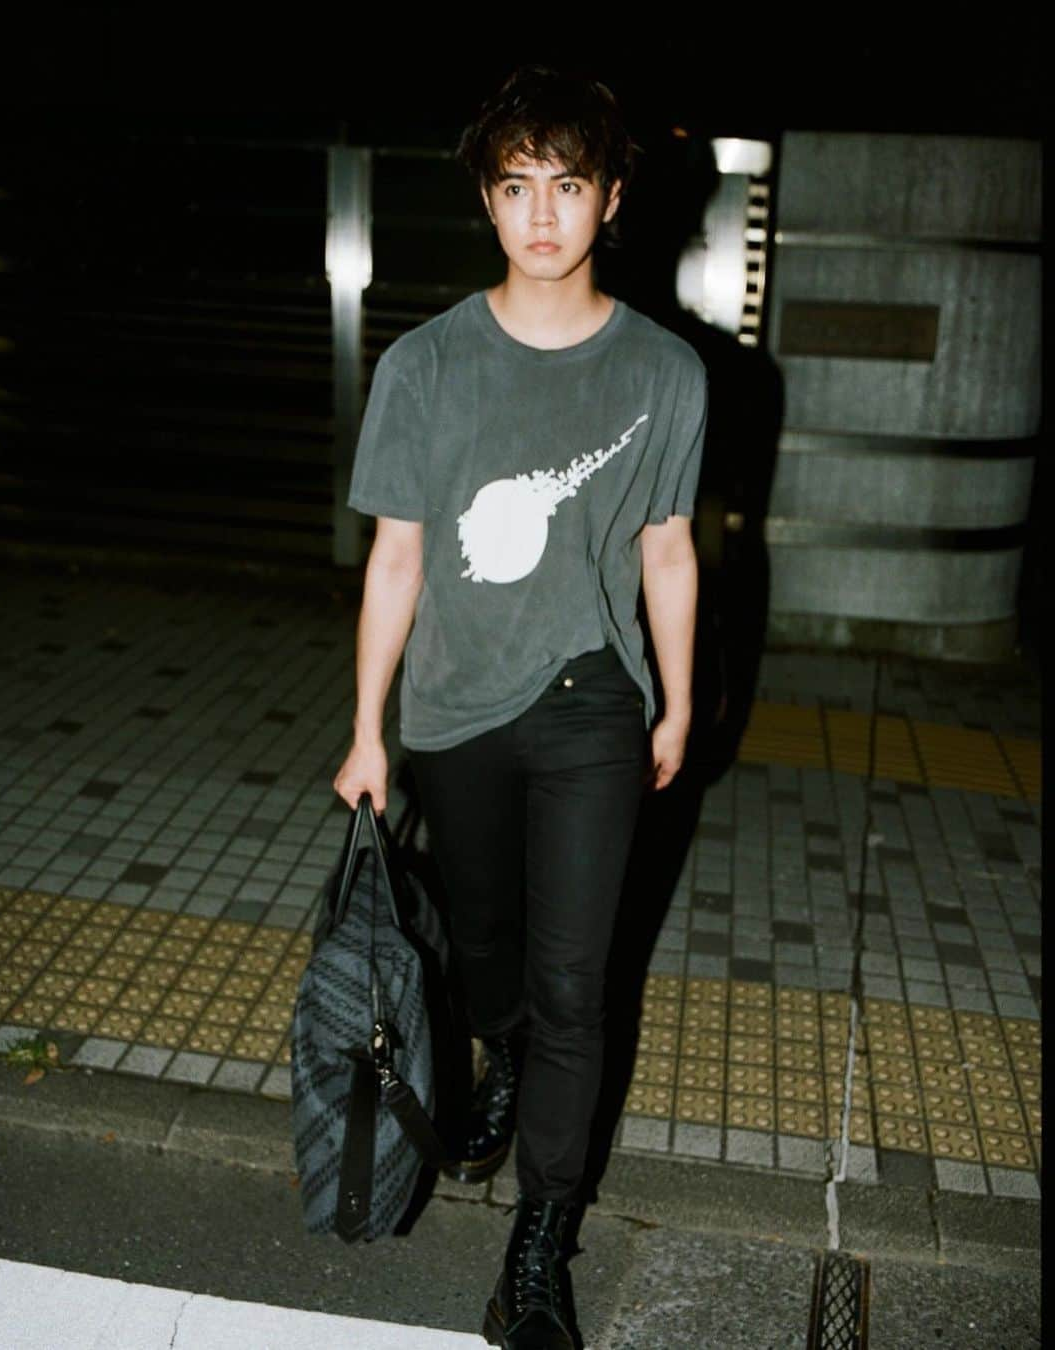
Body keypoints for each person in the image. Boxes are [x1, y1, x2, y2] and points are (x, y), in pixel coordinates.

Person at [333, 65, 707, 1350]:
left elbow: (668, 548)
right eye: (514, 187)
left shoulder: (667, 371)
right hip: (453, 706)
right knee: (485, 942)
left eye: (566, 185)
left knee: (574, 980)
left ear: (609, 200)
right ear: (488, 203)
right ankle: (494, 1051)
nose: (540, 214)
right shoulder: (427, 365)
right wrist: (367, 729)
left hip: (594, 700)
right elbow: (396, 557)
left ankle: (543, 1231)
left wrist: (676, 708)